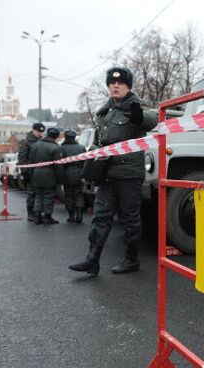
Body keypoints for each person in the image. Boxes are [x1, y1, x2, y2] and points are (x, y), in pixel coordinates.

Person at [69, 66, 157, 275]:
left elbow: (152, 120)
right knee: (101, 216)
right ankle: (93, 259)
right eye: (112, 83)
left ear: (128, 86)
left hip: (129, 173)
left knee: (130, 218)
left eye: (121, 83)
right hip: (106, 173)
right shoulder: (105, 111)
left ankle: (132, 259)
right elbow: (102, 139)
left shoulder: (137, 105)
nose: (115, 86)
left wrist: (138, 117)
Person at [29, 127, 64, 225]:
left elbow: (31, 161)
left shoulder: (36, 145)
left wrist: (32, 174)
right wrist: (61, 179)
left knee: (39, 196)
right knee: (48, 196)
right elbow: (58, 165)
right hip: (49, 174)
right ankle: (48, 217)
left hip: (37, 173)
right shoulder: (56, 148)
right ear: (56, 137)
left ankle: (37, 217)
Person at [18, 122, 45, 222]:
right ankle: (30, 214)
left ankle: (38, 213)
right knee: (31, 194)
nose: (40, 134)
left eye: (41, 132)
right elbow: (22, 158)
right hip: (30, 172)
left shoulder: (41, 141)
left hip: (40, 172)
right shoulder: (26, 142)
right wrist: (25, 172)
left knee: (40, 194)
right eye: (38, 131)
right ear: (33, 130)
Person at [60, 129, 86, 223]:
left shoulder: (61, 148)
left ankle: (71, 216)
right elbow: (85, 161)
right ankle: (79, 215)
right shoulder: (81, 147)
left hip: (67, 173)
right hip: (79, 173)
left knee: (68, 194)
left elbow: (59, 163)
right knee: (79, 194)